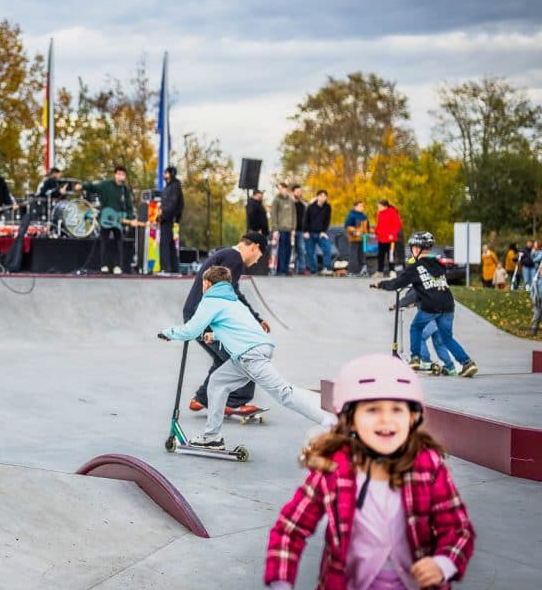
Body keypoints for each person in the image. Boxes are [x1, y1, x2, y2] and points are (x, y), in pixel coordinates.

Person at [265, 354, 475, 589]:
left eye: (397, 410)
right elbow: (290, 529)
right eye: (372, 410)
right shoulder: (334, 468)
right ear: (350, 419)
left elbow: (457, 528)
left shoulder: (427, 466)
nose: (386, 420)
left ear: (413, 417)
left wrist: (443, 564)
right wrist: (281, 582)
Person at [160, 265, 335, 449]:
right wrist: (215, 335)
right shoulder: (233, 301)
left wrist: (168, 332)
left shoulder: (211, 300)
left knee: (284, 393)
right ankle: (212, 437)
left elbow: (191, 330)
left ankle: (330, 423)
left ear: (207, 283)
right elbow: (241, 328)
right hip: (253, 351)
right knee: (217, 383)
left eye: (202, 283)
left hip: (250, 354)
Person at [185, 233, 270, 415]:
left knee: (222, 358)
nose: (256, 261)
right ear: (254, 247)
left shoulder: (227, 257)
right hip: (206, 317)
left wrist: (256, 318)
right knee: (244, 353)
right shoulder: (234, 258)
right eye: (259, 256)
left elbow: (233, 293)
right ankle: (235, 402)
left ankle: (201, 399)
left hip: (195, 315)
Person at [373, 232, 478, 377]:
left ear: (417, 248)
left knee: (416, 328)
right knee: (447, 338)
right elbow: (428, 285)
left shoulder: (415, 267)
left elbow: (397, 283)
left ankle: (415, 358)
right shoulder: (438, 264)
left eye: (412, 248)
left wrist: (380, 285)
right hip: (448, 305)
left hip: (431, 306)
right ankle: (467, 363)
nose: (412, 251)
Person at [78, 166, 135, 274]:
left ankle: (118, 266)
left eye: (123, 174)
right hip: (106, 218)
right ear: (115, 175)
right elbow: (93, 187)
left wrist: (130, 217)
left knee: (118, 243)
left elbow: (129, 205)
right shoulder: (106, 185)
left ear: (125, 176)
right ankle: (104, 265)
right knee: (104, 242)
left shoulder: (125, 189)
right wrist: (83, 186)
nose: (120, 176)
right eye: (118, 174)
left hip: (118, 219)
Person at [157, 166, 183, 274]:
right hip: (166, 217)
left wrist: (164, 213)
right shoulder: (168, 187)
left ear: (171, 174)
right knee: (170, 243)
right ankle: (173, 268)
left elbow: (174, 203)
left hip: (169, 217)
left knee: (165, 243)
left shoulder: (175, 186)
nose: (164, 174)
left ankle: (166, 268)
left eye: (166, 173)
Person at [303, 190, 333, 275]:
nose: (323, 198)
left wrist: (324, 231)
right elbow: (305, 219)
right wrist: (305, 231)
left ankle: (327, 268)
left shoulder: (327, 207)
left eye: (325, 196)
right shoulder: (311, 207)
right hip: (310, 233)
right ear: (317, 197)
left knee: (327, 248)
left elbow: (327, 220)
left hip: (321, 233)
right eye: (321, 196)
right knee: (310, 252)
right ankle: (314, 270)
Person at [272, 183, 296, 276]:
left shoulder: (290, 200)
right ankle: (281, 270)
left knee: (288, 250)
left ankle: (286, 269)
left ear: (286, 189)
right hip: (281, 229)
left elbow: (294, 215)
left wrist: (293, 228)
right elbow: (274, 215)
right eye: (279, 189)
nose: (280, 190)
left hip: (289, 229)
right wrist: (275, 229)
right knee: (282, 250)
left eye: (282, 188)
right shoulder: (276, 200)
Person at [374, 199, 402, 277]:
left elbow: (397, 225)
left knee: (391, 255)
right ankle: (380, 271)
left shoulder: (393, 212)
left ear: (385, 206)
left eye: (379, 206)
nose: (378, 208)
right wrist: (376, 231)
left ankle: (392, 271)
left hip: (390, 239)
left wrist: (392, 234)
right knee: (380, 255)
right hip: (381, 238)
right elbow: (379, 224)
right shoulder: (379, 213)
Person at [246, 189, 270, 275]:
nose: (262, 196)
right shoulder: (252, 204)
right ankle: (254, 268)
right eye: (260, 194)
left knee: (261, 249)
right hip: (256, 230)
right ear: (256, 194)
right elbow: (252, 217)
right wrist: (257, 229)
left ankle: (261, 268)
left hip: (262, 231)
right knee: (255, 249)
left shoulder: (259, 204)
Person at [344, 200, 370, 276]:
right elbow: (347, 226)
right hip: (354, 239)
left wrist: (369, 233)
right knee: (354, 255)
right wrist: (355, 231)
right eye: (360, 206)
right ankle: (352, 271)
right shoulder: (351, 216)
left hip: (363, 239)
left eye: (363, 206)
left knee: (362, 255)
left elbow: (367, 227)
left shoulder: (364, 216)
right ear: (355, 207)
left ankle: (363, 270)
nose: (362, 207)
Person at [291, 185, 309, 275]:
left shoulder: (303, 204)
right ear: (293, 192)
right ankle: (288, 268)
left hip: (301, 231)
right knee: (291, 250)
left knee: (301, 250)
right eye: (297, 191)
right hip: (291, 230)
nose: (299, 193)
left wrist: (306, 230)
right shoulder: (290, 203)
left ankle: (301, 269)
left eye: (300, 191)